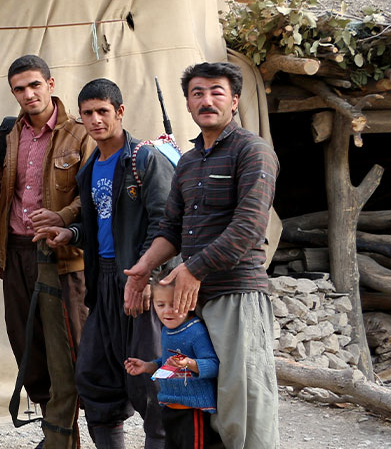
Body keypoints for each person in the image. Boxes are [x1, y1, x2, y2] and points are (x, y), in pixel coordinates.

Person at [123, 61, 280, 449]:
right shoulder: (189, 161)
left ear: (235, 100)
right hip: (193, 301)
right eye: (197, 93)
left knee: (243, 403)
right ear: (188, 103)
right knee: (200, 403)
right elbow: (171, 228)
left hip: (235, 294)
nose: (206, 100)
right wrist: (142, 269)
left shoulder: (253, 151)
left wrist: (193, 270)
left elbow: (249, 228)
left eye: (216, 92)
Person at [38, 79, 172, 449]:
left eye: (103, 111)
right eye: (88, 113)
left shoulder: (144, 159)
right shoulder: (89, 169)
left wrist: (146, 277)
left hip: (140, 280)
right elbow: (101, 221)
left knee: (150, 382)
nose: (96, 119)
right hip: (104, 282)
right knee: (95, 378)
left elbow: (165, 223)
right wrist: (71, 234)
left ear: (120, 112)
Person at [0, 55, 93, 449]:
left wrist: (61, 219)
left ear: (50, 83)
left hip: (62, 257)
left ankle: (66, 438)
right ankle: (57, 435)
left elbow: (92, 195)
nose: (28, 94)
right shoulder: (9, 134)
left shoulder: (79, 133)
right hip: (15, 253)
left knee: (67, 351)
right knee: (28, 349)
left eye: (34, 85)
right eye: (19, 88)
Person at [123, 270, 224, 449]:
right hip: (170, 409)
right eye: (160, 305)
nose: (167, 311)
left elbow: (214, 365)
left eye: (174, 304)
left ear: (189, 301)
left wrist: (189, 363)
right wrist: (147, 366)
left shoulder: (196, 331)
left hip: (193, 413)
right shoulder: (167, 330)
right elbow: (169, 363)